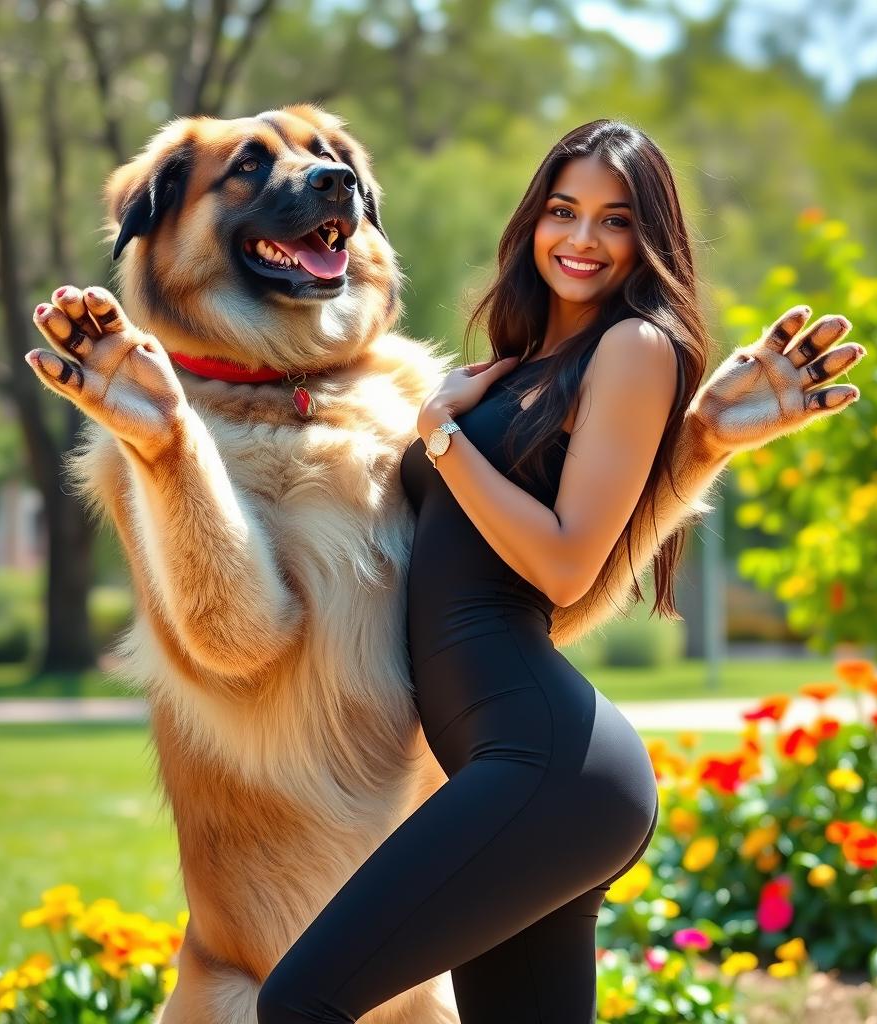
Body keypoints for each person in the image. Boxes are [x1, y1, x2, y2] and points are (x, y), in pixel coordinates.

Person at [256, 118, 714, 1024]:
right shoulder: (526, 364)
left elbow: (567, 561)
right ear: (533, 221)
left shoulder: (633, 349)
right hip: (516, 766)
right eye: (563, 210)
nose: (581, 240)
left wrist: (443, 435)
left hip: (546, 763)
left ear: (647, 238)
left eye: (615, 221)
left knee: (301, 1002)